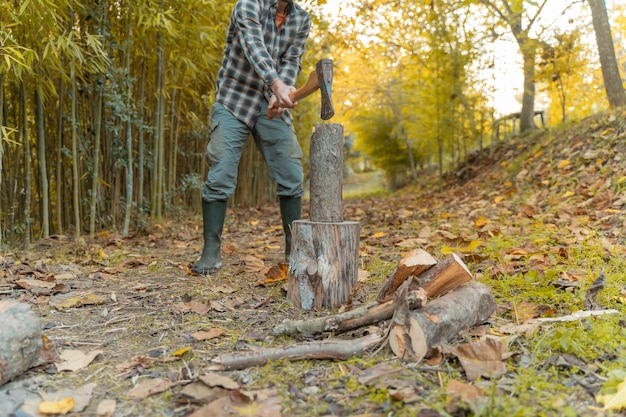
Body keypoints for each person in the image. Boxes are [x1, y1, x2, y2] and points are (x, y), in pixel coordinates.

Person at [191, 0, 311, 275]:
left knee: (291, 173)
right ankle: (211, 251)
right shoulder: (248, 5)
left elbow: (292, 60)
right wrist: (276, 83)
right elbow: (253, 45)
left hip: (271, 104)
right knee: (219, 172)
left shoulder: (301, 19)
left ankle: (295, 252)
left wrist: (281, 92)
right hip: (234, 100)